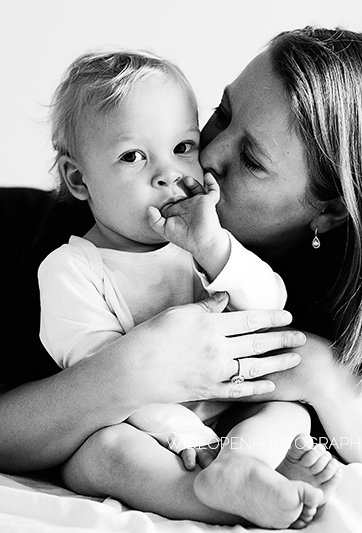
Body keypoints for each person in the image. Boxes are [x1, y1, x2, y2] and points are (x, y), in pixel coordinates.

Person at [0, 26, 362, 528]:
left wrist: (312, 367)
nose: (206, 156)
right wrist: (133, 367)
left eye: (251, 160)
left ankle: (235, 483)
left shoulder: (348, 283)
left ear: (330, 210)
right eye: (221, 115)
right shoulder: (106, 223)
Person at [37, 48, 340, 528]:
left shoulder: (203, 239)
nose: (169, 174)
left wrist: (214, 248)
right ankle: (210, 495)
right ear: (78, 178)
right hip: (141, 425)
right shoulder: (71, 269)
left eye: (183, 147)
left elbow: (272, 304)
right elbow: (105, 375)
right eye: (133, 157)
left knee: (289, 413)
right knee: (104, 452)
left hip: (226, 411)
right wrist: (186, 435)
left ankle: (242, 467)